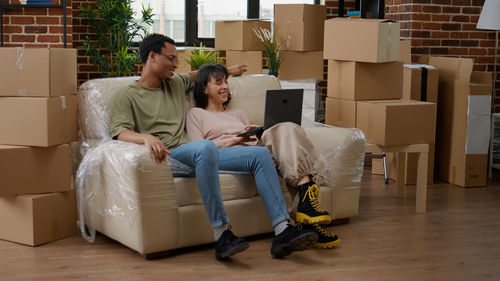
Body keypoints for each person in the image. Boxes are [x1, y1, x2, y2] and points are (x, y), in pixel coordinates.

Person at [110, 33, 318, 260]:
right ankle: (222, 234)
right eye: (171, 59)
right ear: (152, 56)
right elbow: (120, 132)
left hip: (194, 153)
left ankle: (282, 231)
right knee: (206, 147)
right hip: (170, 155)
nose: (175, 64)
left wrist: (229, 71)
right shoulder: (128, 95)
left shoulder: (175, 83)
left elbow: (198, 75)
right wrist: (146, 138)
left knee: (259, 154)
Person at [186, 63, 340, 249]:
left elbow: (254, 147)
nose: (225, 86)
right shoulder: (196, 114)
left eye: (226, 82)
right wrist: (233, 140)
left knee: (286, 129)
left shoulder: (238, 113)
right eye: (218, 83)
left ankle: (306, 200)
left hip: (252, 151)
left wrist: (260, 135)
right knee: (272, 148)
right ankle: (308, 221)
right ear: (204, 88)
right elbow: (198, 148)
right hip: (222, 154)